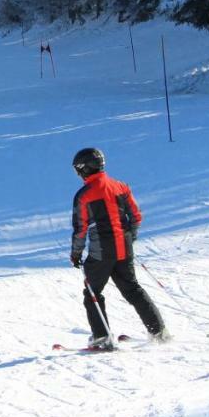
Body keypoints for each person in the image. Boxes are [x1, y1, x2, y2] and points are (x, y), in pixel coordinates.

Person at [69, 147, 168, 351]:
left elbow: (80, 228)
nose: (78, 174)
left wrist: (76, 253)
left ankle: (102, 337)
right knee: (132, 289)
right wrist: (129, 238)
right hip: (124, 246)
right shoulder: (121, 186)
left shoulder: (84, 195)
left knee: (92, 292)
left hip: (101, 251)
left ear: (85, 169)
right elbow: (136, 217)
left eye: (78, 170)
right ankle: (158, 331)